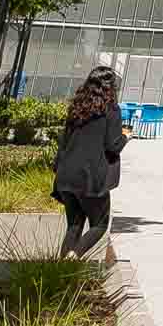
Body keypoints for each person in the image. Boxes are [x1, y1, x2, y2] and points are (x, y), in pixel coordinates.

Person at [53, 66, 124, 256]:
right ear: (110, 86)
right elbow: (113, 145)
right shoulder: (111, 110)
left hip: (66, 175)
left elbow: (64, 141)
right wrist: (126, 136)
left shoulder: (76, 107)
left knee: (74, 227)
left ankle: (63, 275)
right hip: (91, 178)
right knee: (99, 224)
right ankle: (73, 257)